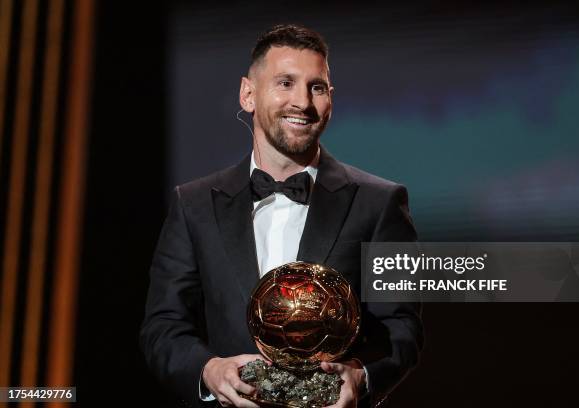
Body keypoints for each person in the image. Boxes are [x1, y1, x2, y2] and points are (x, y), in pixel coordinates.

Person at [140, 24, 423, 408]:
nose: (302, 102)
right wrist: (209, 370)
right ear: (248, 94)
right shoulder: (194, 204)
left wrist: (362, 376)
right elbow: (163, 328)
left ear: (330, 100)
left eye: (316, 87)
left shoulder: (379, 202)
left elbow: (401, 329)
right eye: (285, 83)